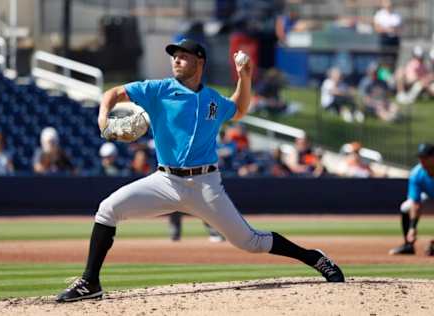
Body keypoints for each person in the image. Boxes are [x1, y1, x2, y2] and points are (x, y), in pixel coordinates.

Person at [56, 38, 344, 303]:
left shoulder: (212, 99)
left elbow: (239, 109)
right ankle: (90, 282)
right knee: (108, 209)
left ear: (200, 61)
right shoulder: (159, 90)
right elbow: (113, 93)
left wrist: (244, 75)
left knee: (251, 242)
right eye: (174, 57)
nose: (176, 60)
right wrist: (103, 119)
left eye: (183, 56)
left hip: (205, 184)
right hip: (164, 180)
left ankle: (314, 258)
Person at [389, 143, 434, 256]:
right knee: (406, 207)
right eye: (420, 157)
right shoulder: (417, 173)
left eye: (425, 157)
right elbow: (415, 203)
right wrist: (412, 228)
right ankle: (408, 245)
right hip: (431, 198)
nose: (422, 160)